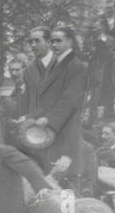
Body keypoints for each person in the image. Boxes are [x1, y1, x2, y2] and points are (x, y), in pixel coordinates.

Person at [22, 24, 88, 172]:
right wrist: (31, 116)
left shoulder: (77, 66)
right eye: (52, 41)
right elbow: (47, 99)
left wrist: (48, 119)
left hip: (66, 128)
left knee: (65, 174)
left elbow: (70, 100)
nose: (54, 44)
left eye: (58, 41)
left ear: (70, 42)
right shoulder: (57, 63)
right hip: (50, 130)